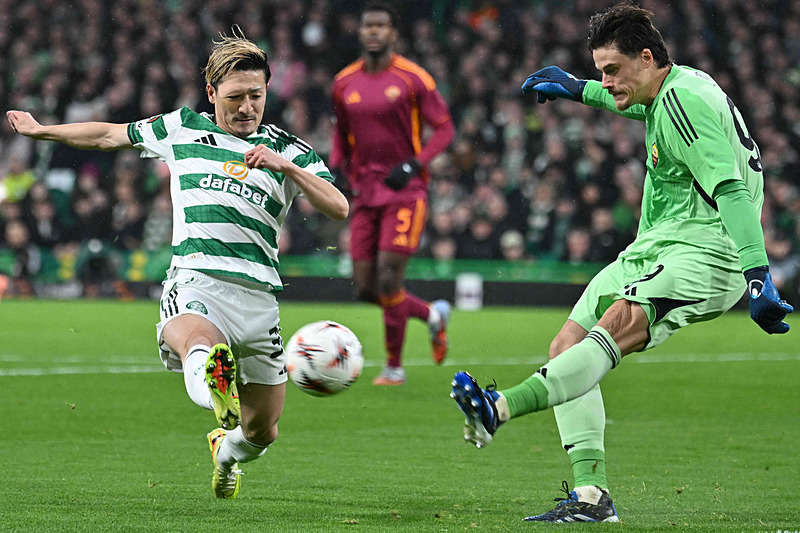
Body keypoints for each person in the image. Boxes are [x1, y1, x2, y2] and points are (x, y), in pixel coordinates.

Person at [450, 2, 792, 523]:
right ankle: (592, 497)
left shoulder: (685, 103)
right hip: (657, 244)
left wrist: (757, 274)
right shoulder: (673, 89)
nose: (606, 81)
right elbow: (640, 107)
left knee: (617, 323)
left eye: (612, 70)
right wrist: (578, 88)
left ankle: (497, 409)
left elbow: (729, 190)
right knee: (566, 345)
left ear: (646, 57)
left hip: (708, 250)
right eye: (601, 71)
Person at [6, 28, 348, 499]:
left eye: (256, 95)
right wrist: (43, 130)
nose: (247, 107)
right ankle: (214, 387)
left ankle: (225, 451)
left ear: (268, 90)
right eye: (235, 97)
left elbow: (338, 207)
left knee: (262, 432)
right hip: (196, 280)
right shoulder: (181, 128)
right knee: (199, 346)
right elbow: (109, 134)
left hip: (258, 299)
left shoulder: (289, 150)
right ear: (211, 93)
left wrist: (285, 167)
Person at [330, 3, 455, 385]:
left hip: (405, 191)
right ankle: (432, 315)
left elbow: (445, 129)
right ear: (360, 32)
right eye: (368, 25)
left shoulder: (413, 78)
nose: (374, 32)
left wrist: (415, 165)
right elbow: (340, 134)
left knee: (388, 280)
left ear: (392, 34)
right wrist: (335, 168)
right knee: (364, 288)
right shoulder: (344, 82)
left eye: (381, 26)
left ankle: (394, 367)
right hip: (364, 193)